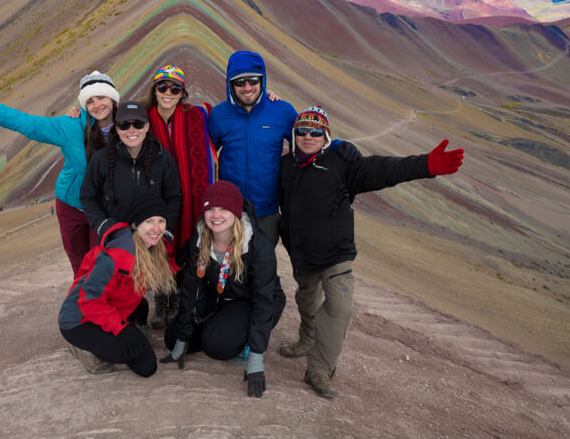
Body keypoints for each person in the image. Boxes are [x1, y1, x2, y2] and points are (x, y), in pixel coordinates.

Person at [277, 106, 464, 399]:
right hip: (302, 255)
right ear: (294, 133)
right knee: (307, 301)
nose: (308, 136)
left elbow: (383, 169)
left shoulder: (343, 162)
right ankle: (306, 340)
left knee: (339, 306)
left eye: (316, 131)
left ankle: (319, 369)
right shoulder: (284, 167)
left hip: (337, 254)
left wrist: (426, 165)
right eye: (302, 131)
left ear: (326, 135)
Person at [0, 70, 119, 273]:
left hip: (104, 210)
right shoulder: (69, 126)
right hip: (71, 207)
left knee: (104, 264)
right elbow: (26, 123)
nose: (97, 105)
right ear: (83, 104)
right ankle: (83, 303)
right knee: (80, 267)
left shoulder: (129, 126)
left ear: (112, 97)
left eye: (101, 97)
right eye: (90, 100)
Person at [161, 181, 286, 398]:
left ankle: (243, 341)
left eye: (224, 209)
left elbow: (264, 299)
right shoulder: (200, 240)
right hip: (219, 296)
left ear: (236, 213)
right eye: (210, 209)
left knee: (217, 346)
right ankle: (217, 329)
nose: (215, 215)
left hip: (250, 301)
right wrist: (183, 337)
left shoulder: (257, 246)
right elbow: (191, 288)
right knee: (172, 338)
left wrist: (256, 358)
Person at [59, 194, 177, 376]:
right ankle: (80, 347)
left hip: (111, 308)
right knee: (145, 366)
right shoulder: (117, 256)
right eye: (149, 222)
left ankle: (117, 334)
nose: (156, 228)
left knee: (144, 362)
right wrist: (120, 328)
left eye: (161, 221)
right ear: (136, 225)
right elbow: (89, 301)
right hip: (79, 319)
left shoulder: (155, 248)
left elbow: (177, 265)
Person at [144, 64, 216, 329]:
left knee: (186, 245)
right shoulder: (144, 118)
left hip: (190, 198)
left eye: (175, 88)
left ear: (182, 93)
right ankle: (161, 298)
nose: (168, 92)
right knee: (158, 246)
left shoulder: (196, 115)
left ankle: (177, 297)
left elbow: (230, 112)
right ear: (155, 89)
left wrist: (268, 96)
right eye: (162, 86)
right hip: (156, 197)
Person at [208, 51, 298, 246]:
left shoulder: (282, 111)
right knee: (229, 268)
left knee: (261, 269)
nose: (247, 87)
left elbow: (307, 144)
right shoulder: (219, 115)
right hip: (229, 210)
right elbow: (206, 154)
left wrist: (336, 146)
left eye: (253, 80)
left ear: (262, 80)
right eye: (240, 82)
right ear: (230, 83)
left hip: (267, 213)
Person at [80, 100, 182, 240]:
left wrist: (167, 229)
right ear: (116, 129)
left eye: (138, 124)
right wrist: (102, 225)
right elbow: (87, 197)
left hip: (153, 240)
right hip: (117, 240)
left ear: (146, 127)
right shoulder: (101, 159)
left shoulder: (162, 157)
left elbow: (174, 197)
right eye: (124, 125)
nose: (131, 130)